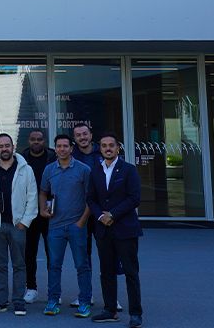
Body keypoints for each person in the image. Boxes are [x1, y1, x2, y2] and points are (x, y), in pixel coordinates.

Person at [0, 133, 37, 316]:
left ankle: (19, 301)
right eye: (1, 146)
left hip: (18, 225)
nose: (4, 149)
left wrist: (25, 222)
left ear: (13, 146)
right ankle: (0, 301)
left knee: (19, 265)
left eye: (7, 145)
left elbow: (32, 198)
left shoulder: (26, 169)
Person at [87, 134, 143, 327]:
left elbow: (134, 198)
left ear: (118, 148)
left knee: (130, 272)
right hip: (103, 229)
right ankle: (109, 310)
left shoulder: (129, 170)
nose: (108, 148)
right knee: (106, 272)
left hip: (125, 229)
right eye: (104, 146)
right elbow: (90, 199)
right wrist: (101, 216)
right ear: (100, 149)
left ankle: (135, 313)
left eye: (111, 145)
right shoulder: (95, 171)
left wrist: (113, 214)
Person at [39, 134, 93, 318]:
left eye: (65, 146)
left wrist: (81, 222)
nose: (62, 149)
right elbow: (43, 192)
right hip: (55, 226)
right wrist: (42, 210)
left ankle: (85, 302)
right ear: (55, 149)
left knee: (82, 265)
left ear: (71, 148)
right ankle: (53, 301)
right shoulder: (49, 169)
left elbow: (90, 199)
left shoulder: (83, 170)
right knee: (54, 265)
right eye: (58, 146)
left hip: (76, 226)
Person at [22, 129, 56, 304]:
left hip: (50, 212)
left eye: (40, 139)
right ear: (29, 141)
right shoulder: (21, 159)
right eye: (33, 139)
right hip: (30, 212)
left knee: (53, 253)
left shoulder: (53, 157)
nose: (36, 142)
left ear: (44, 141)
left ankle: (53, 289)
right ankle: (31, 287)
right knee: (30, 252)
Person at [72, 123, 103, 267]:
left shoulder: (103, 152)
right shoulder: (72, 156)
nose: (82, 137)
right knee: (84, 253)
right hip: (80, 210)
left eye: (85, 134)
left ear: (91, 135)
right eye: (78, 135)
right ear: (74, 138)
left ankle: (108, 288)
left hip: (102, 209)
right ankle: (86, 289)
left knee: (106, 251)